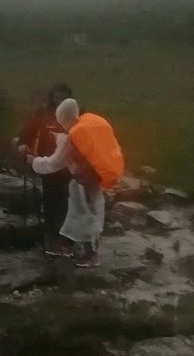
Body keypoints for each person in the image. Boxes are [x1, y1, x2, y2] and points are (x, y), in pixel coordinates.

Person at [25, 97, 124, 269]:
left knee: (85, 215)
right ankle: (68, 246)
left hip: (81, 182)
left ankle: (91, 255)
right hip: (94, 178)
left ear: (63, 118)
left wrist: (33, 161)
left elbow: (54, 163)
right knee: (82, 213)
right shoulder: (87, 125)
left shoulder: (73, 138)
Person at [14, 81, 72, 253]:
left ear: (69, 96)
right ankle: (53, 233)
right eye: (57, 95)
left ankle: (60, 235)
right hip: (46, 161)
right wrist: (24, 143)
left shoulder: (75, 114)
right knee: (50, 196)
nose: (60, 99)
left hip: (67, 165)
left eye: (63, 96)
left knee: (62, 198)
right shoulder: (42, 112)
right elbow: (28, 131)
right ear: (52, 95)